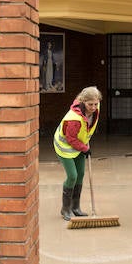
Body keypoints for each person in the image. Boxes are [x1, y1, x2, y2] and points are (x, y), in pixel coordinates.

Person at [53, 86, 102, 220]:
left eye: (95, 104)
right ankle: (65, 209)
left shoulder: (96, 107)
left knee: (80, 174)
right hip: (64, 147)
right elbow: (71, 139)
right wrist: (85, 148)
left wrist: (85, 143)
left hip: (80, 144)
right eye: (90, 104)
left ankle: (75, 208)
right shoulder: (74, 118)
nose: (93, 107)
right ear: (83, 101)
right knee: (72, 176)